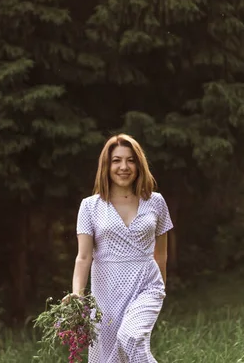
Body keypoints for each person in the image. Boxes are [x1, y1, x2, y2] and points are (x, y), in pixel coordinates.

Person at [65, 133, 173, 362]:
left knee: (131, 338)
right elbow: (83, 257)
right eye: (117, 160)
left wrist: (160, 293)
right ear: (106, 165)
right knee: (111, 356)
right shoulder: (90, 207)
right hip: (106, 293)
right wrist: (77, 294)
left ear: (139, 164)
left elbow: (161, 254)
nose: (124, 167)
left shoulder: (156, 202)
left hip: (147, 286)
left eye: (131, 160)